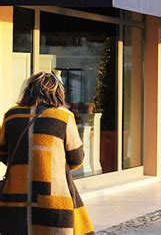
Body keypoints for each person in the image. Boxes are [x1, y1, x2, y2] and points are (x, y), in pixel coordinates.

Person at [0, 72, 94, 234]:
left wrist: (26, 165)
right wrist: (50, 166)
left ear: (28, 90)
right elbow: (76, 158)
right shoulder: (63, 117)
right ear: (57, 92)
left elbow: (2, 153)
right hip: (54, 200)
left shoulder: (11, 116)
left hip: (15, 196)